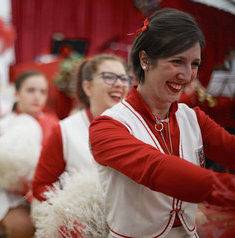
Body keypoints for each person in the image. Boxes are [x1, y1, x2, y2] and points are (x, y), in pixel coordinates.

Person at [89, 8, 235, 238]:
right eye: (177, 61)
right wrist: (229, 191)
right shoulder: (107, 127)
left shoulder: (193, 118)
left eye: (195, 64)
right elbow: (157, 170)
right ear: (145, 60)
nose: (187, 76)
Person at [32, 54, 129, 201]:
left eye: (123, 78)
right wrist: (75, 209)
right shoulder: (65, 131)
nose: (119, 84)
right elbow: (41, 185)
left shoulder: (136, 126)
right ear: (87, 87)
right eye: (109, 77)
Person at [0, 70, 58, 238]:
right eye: (30, 90)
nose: (37, 97)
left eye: (42, 92)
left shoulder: (54, 124)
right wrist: (9, 174)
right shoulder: (2, 125)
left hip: (44, 194)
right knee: (23, 226)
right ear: (16, 93)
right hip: (7, 193)